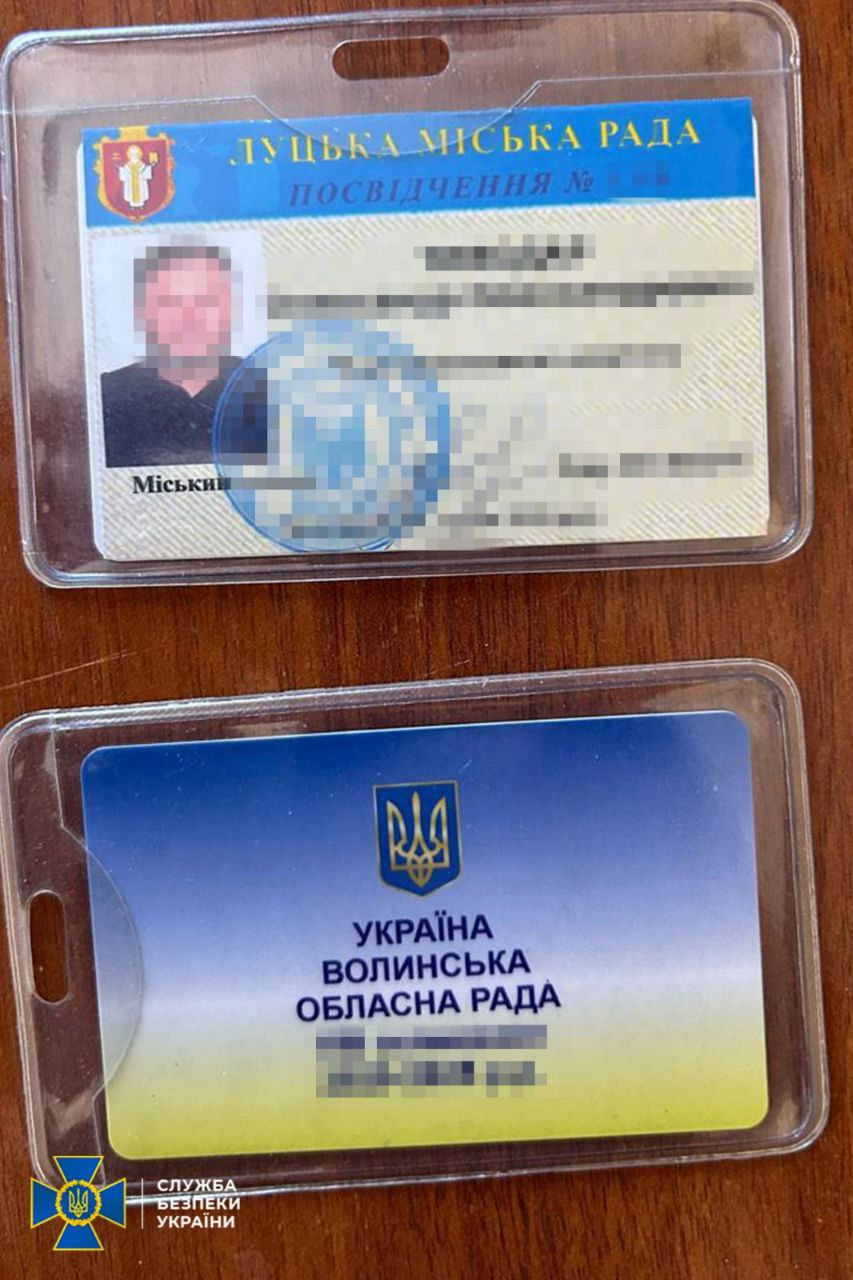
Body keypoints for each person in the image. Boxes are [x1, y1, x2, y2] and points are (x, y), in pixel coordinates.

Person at [101, 243, 241, 467]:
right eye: (170, 302)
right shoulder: (105, 396)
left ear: (228, 309)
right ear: (144, 311)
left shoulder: (270, 389)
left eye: (204, 301)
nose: (189, 318)